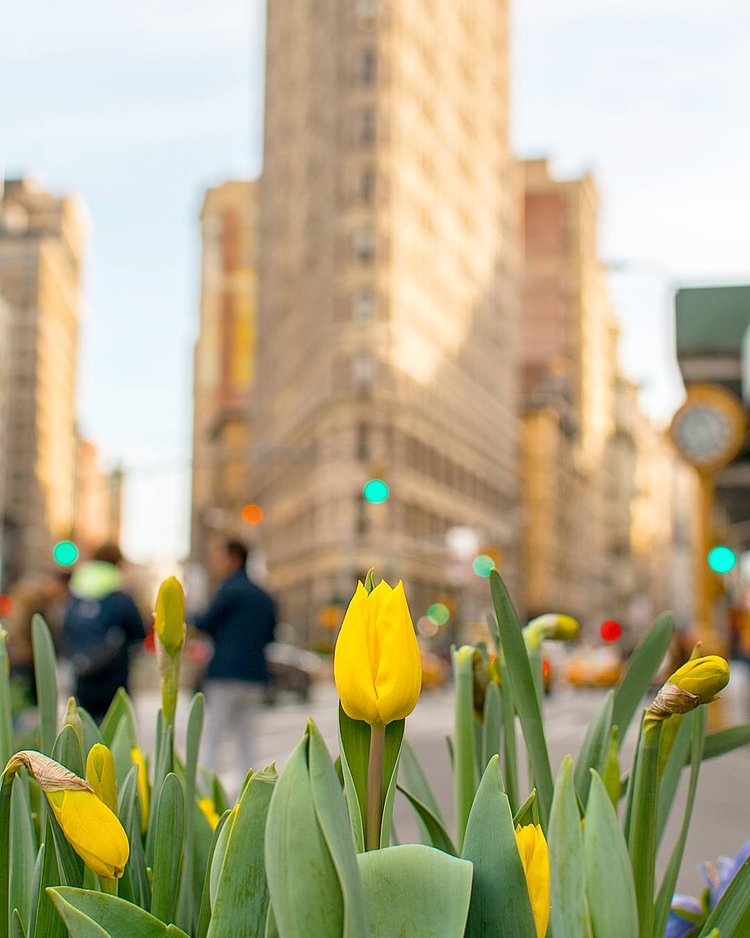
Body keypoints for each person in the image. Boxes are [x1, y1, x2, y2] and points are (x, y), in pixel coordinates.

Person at [193, 537, 276, 788]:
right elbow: (270, 635)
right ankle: (247, 793)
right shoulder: (264, 596)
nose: (217, 562)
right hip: (255, 675)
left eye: (220, 556)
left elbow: (206, 622)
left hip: (225, 674)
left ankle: (205, 793)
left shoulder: (229, 590)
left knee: (214, 737)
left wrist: (190, 614)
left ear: (233, 557)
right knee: (247, 740)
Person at [63, 543, 145, 722]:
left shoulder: (77, 589)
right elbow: (139, 631)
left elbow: (64, 628)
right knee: (114, 730)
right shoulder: (119, 593)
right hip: (114, 676)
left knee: (83, 727)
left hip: (83, 672)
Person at [5, 571, 70, 709]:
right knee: (29, 697)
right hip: (29, 657)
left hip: (25, 656)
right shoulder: (34, 603)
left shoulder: (31, 599)